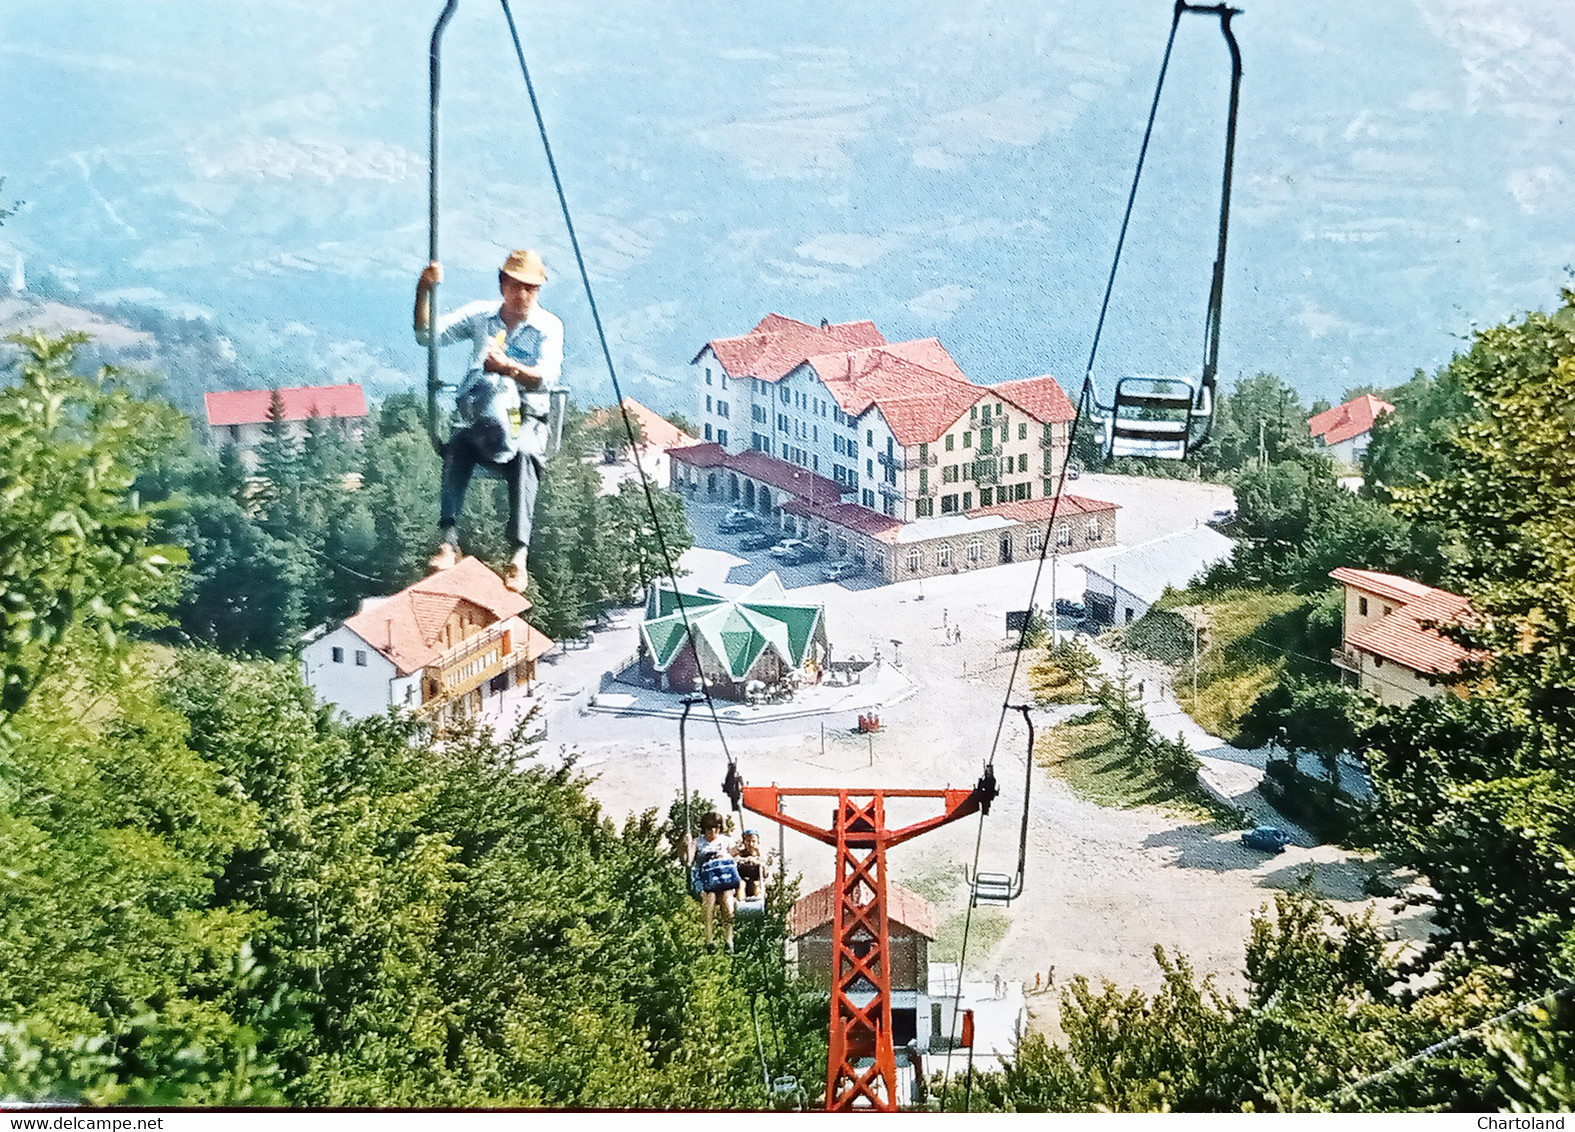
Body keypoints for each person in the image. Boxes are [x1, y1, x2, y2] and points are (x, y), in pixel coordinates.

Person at [414, 249, 564, 592]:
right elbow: (427, 336)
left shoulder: (548, 327)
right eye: (516, 285)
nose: (522, 294)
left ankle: (518, 555)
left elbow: (546, 377)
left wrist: (509, 369)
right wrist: (424, 290)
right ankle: (448, 541)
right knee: (459, 444)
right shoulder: (481, 317)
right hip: (482, 414)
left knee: (526, 453)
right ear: (502, 284)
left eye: (530, 288)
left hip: (525, 416)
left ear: (538, 291)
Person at [687, 811, 740, 951]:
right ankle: (709, 939)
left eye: (715, 827)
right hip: (705, 879)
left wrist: (726, 855)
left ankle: (729, 939)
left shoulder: (726, 841)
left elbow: (737, 857)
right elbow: (688, 860)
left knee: (726, 899)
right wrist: (687, 845)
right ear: (704, 828)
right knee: (709, 899)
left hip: (724, 878)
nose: (712, 831)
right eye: (709, 828)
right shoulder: (698, 842)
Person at [735, 828, 771, 903]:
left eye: (753, 841)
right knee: (741, 884)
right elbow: (735, 860)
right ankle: (741, 905)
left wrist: (757, 860)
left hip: (756, 880)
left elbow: (765, 873)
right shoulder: (741, 854)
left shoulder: (762, 855)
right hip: (743, 880)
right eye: (748, 841)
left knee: (756, 885)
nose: (751, 844)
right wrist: (745, 860)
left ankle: (758, 904)